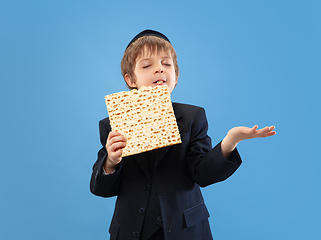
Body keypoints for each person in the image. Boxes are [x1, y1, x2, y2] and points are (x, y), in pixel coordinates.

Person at [90, 30, 276, 240]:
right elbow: (101, 189)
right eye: (146, 65)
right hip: (132, 230)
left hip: (186, 230)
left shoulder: (192, 117)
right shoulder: (113, 125)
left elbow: (202, 174)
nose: (159, 68)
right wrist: (111, 162)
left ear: (176, 77)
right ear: (130, 79)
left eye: (166, 64)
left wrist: (230, 141)